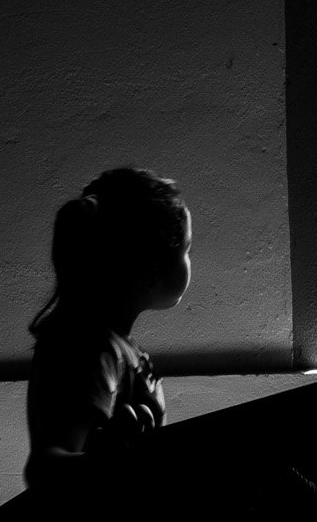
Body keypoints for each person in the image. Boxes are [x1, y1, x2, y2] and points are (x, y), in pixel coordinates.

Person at [23, 167, 192, 492]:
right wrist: (110, 459)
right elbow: (44, 469)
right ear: (152, 270)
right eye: (186, 248)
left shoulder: (117, 347)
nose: (189, 260)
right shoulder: (94, 348)